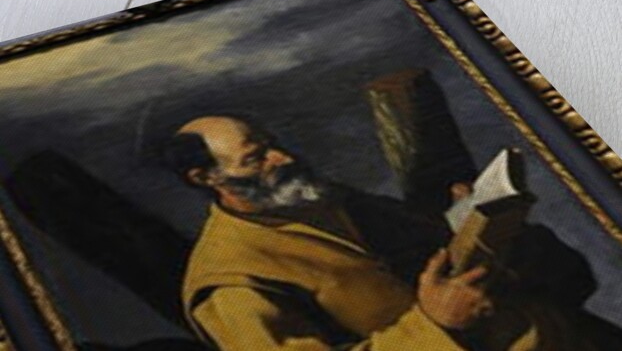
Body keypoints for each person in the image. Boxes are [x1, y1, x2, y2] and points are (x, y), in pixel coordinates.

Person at [165, 115, 620, 350]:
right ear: (205, 178)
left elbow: (416, 251)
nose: (281, 158)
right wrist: (435, 323)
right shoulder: (230, 284)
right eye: (255, 157)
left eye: (273, 144)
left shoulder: (314, 198)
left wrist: (463, 219)